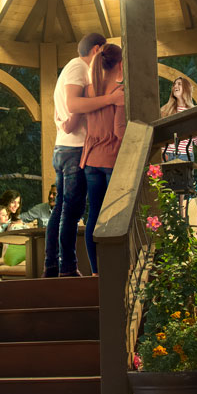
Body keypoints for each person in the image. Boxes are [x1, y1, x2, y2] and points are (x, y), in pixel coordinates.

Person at [46, 32, 124, 277]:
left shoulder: (79, 76)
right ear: (97, 50)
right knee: (74, 211)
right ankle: (67, 268)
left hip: (74, 150)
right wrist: (111, 99)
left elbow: (67, 107)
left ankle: (55, 265)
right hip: (78, 150)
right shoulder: (80, 69)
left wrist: (66, 122)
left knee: (66, 210)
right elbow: (74, 104)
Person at [77, 44, 125, 276]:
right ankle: (114, 270)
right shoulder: (119, 92)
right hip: (111, 160)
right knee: (115, 217)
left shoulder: (88, 90)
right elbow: (120, 131)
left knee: (93, 215)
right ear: (119, 64)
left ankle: (96, 271)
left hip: (90, 160)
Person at [159, 78, 197, 161]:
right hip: (167, 155)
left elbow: (196, 140)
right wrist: (162, 152)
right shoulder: (165, 110)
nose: (175, 86)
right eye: (174, 84)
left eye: (179, 84)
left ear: (186, 88)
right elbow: (160, 133)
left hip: (186, 156)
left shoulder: (193, 111)